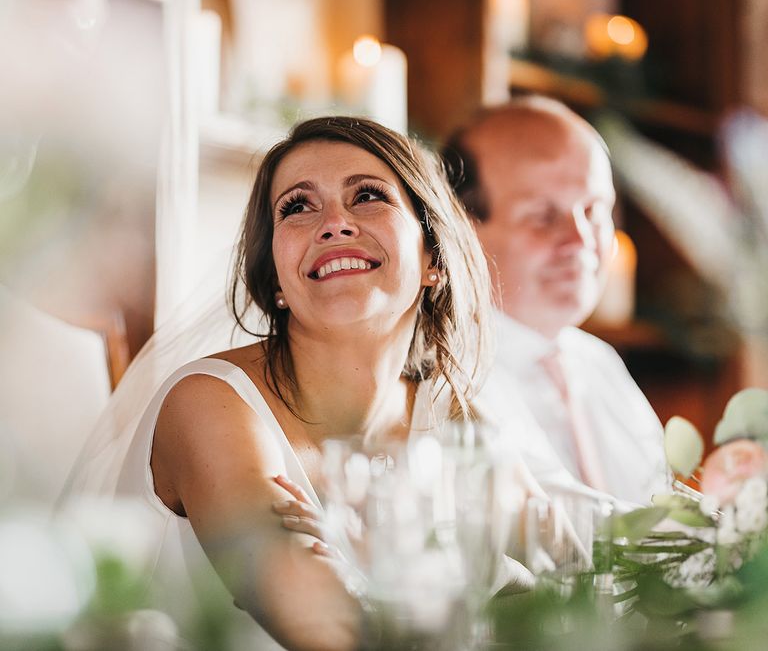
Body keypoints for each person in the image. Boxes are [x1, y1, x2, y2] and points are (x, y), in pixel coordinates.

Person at [64, 116, 495, 650]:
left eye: (367, 196)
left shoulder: (451, 416)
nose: (334, 223)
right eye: (297, 206)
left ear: (433, 257)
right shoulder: (210, 405)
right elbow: (333, 634)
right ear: (277, 281)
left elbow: (558, 575)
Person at [443, 95, 668, 505]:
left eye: (594, 210)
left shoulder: (600, 365)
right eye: (543, 216)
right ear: (461, 228)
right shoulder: (446, 379)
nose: (581, 241)